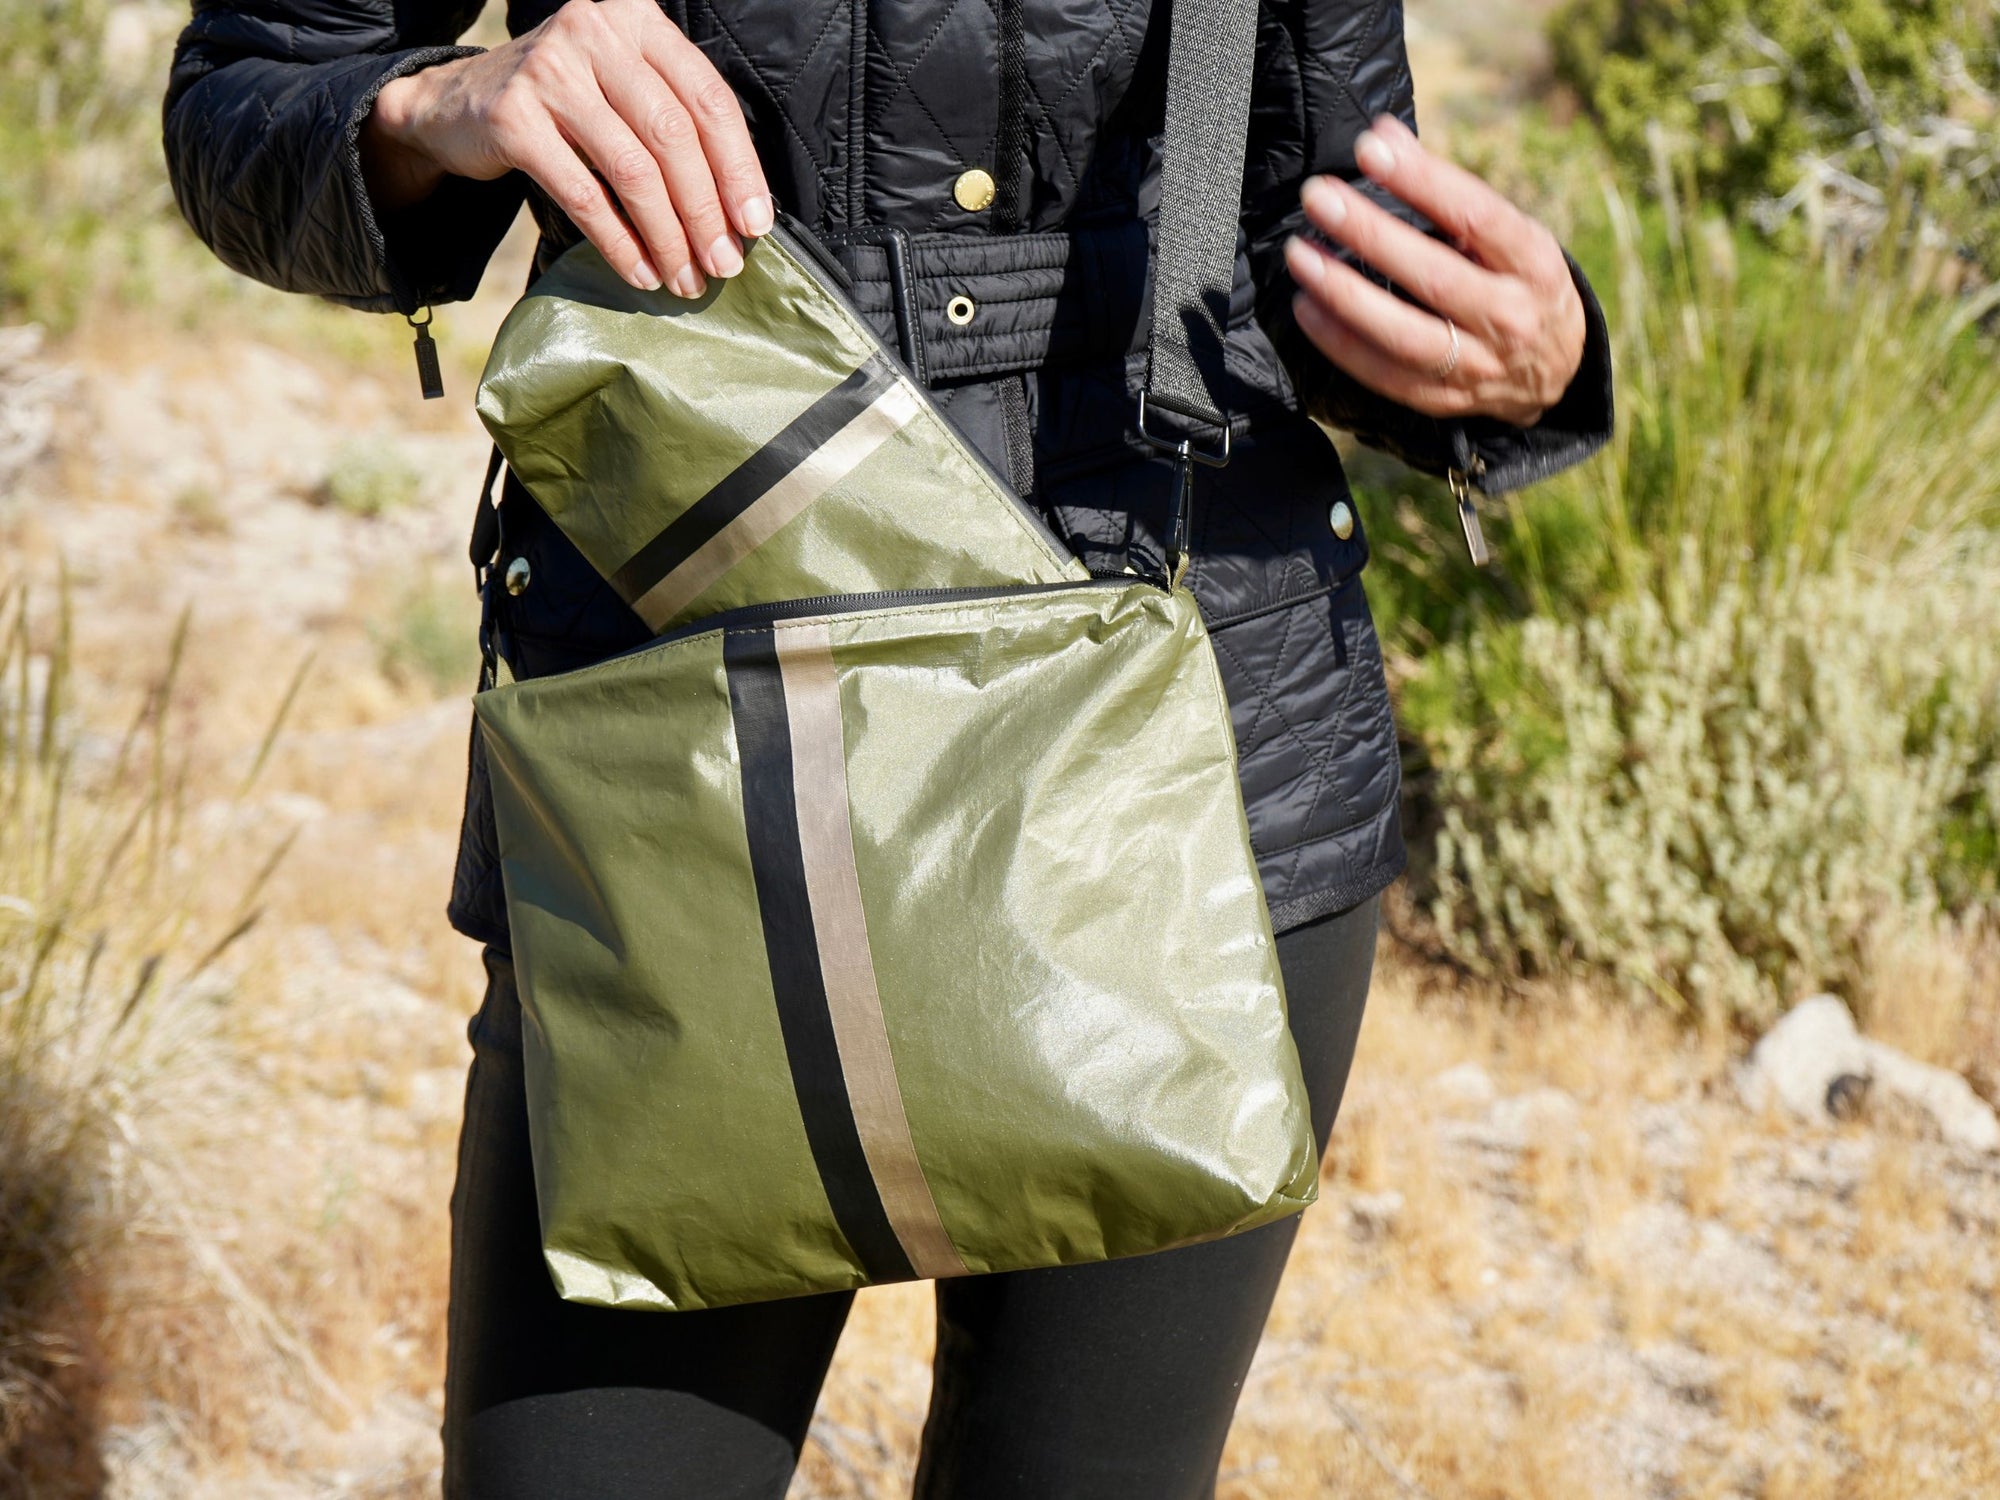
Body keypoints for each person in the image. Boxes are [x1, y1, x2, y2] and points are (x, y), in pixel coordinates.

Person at [165, 1, 1611, 1495]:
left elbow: (1312, 257)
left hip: (1196, 792)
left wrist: (1523, 358)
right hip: (693, 772)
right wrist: (436, 108)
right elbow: (245, 98)